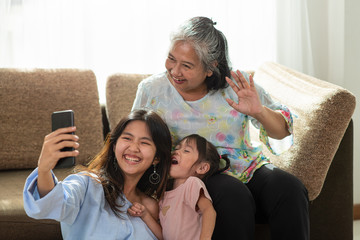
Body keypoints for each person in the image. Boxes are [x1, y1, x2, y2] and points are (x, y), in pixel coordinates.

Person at [131, 16, 310, 240]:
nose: (174, 71)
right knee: (233, 193)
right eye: (171, 59)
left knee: (289, 188)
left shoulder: (237, 84)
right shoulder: (152, 90)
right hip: (195, 172)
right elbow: (133, 138)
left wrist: (258, 111)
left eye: (186, 66)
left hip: (246, 167)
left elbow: (282, 131)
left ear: (210, 68)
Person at [23, 109, 172, 240]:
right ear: (114, 146)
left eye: (144, 142)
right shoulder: (86, 184)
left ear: (157, 157)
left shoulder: (151, 207)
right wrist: (44, 169)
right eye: (127, 138)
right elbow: (53, 203)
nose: (133, 148)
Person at [128, 134, 230, 240]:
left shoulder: (191, 184)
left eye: (186, 150)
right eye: (176, 148)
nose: (176, 151)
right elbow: (163, 235)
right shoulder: (165, 196)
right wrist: (145, 215)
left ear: (202, 167)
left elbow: (209, 211)